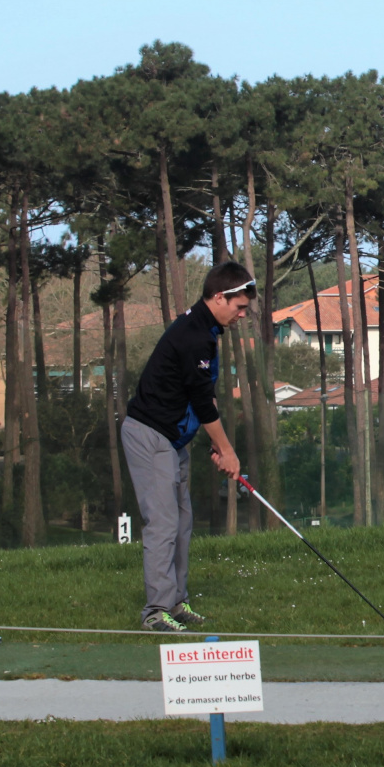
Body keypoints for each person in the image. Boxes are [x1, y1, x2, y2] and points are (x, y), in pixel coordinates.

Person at [122, 262, 252, 631]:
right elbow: (201, 399)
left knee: (181, 523)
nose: (242, 315)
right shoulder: (195, 335)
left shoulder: (204, 329)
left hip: (172, 437)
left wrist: (210, 441)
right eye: (239, 307)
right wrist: (226, 450)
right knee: (162, 523)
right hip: (149, 435)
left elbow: (193, 395)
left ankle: (176, 602)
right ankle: (154, 613)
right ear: (217, 297)